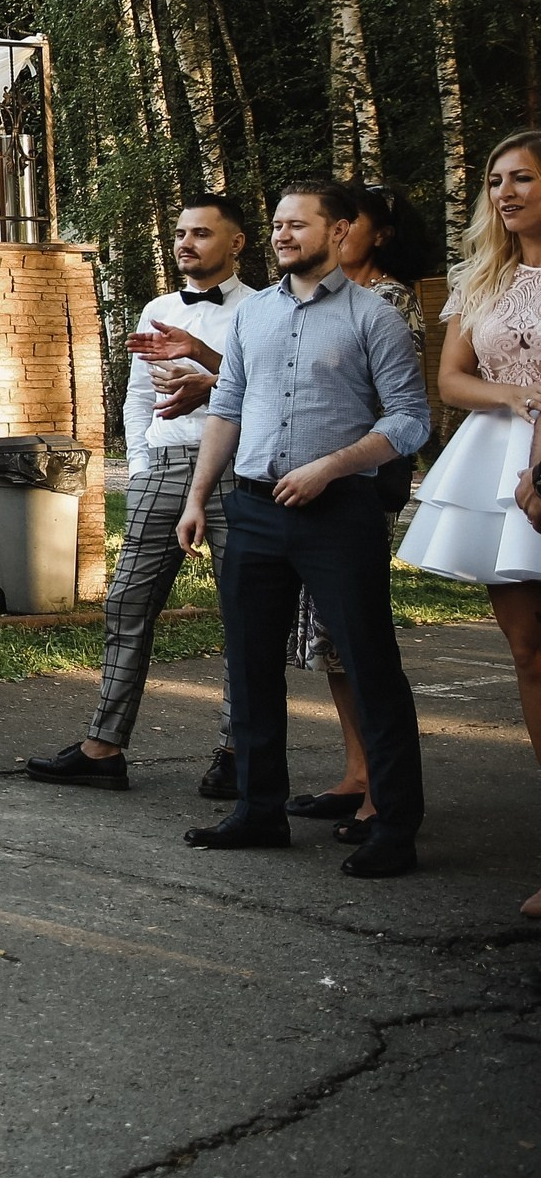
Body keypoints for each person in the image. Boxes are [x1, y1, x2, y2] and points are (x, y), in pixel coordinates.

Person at [180, 181, 430, 879]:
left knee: (371, 666)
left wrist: (332, 466)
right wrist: (198, 497)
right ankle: (259, 810)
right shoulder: (254, 314)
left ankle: (395, 827)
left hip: (337, 512)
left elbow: (410, 418)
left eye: (300, 224)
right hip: (253, 509)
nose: (284, 234)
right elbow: (226, 407)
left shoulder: (372, 316)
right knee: (250, 667)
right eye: (279, 223)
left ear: (340, 229)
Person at [27, 196, 250, 795]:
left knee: (243, 613)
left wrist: (204, 358)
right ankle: (103, 747)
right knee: (127, 601)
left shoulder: (262, 312)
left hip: (237, 468)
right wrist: (147, 459)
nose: (186, 244)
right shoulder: (156, 307)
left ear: (237, 244)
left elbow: (269, 393)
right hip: (166, 465)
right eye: (180, 233)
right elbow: (135, 395)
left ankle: (238, 750)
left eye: (202, 234)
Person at [403, 135, 541, 914]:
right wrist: (514, 399)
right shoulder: (479, 280)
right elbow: (453, 379)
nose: (506, 191)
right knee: (528, 652)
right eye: (496, 180)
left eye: (522, 177)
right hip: (498, 460)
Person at [284, 183, 430, 836]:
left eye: (352, 224)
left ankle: (382, 790)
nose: (338, 234)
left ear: (378, 235)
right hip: (307, 483)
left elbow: (388, 401)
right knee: (327, 637)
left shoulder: (388, 300)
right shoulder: (307, 298)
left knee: (357, 636)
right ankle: (357, 771)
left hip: (362, 481)